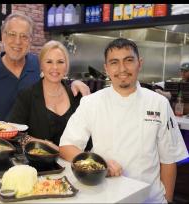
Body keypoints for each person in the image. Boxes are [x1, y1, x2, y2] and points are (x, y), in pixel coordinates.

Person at [59, 38, 188, 203]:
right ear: (106, 68)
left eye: (128, 60)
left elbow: (168, 160)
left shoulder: (159, 103)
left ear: (139, 63)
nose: (122, 69)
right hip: (106, 197)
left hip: (150, 199)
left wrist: (167, 200)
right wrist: (98, 162)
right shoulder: (91, 103)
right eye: (114, 62)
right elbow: (66, 147)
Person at [0, 13, 90, 121]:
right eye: (12, 34)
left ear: (30, 40)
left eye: (24, 36)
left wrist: (74, 83)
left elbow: (59, 83)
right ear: (3, 36)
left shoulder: (41, 66)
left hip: (37, 144)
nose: (18, 41)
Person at [7, 40, 92, 150]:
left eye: (60, 62)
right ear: (41, 65)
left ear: (66, 66)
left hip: (73, 163)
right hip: (39, 163)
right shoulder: (27, 95)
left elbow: (89, 136)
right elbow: (13, 133)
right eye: (49, 62)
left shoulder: (77, 94)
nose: (55, 67)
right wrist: (46, 145)